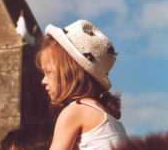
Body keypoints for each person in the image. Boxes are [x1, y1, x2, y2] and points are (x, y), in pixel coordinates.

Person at [36, 20, 128, 150]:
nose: (43, 80)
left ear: (70, 72)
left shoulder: (75, 111)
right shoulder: (115, 122)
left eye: (49, 72)